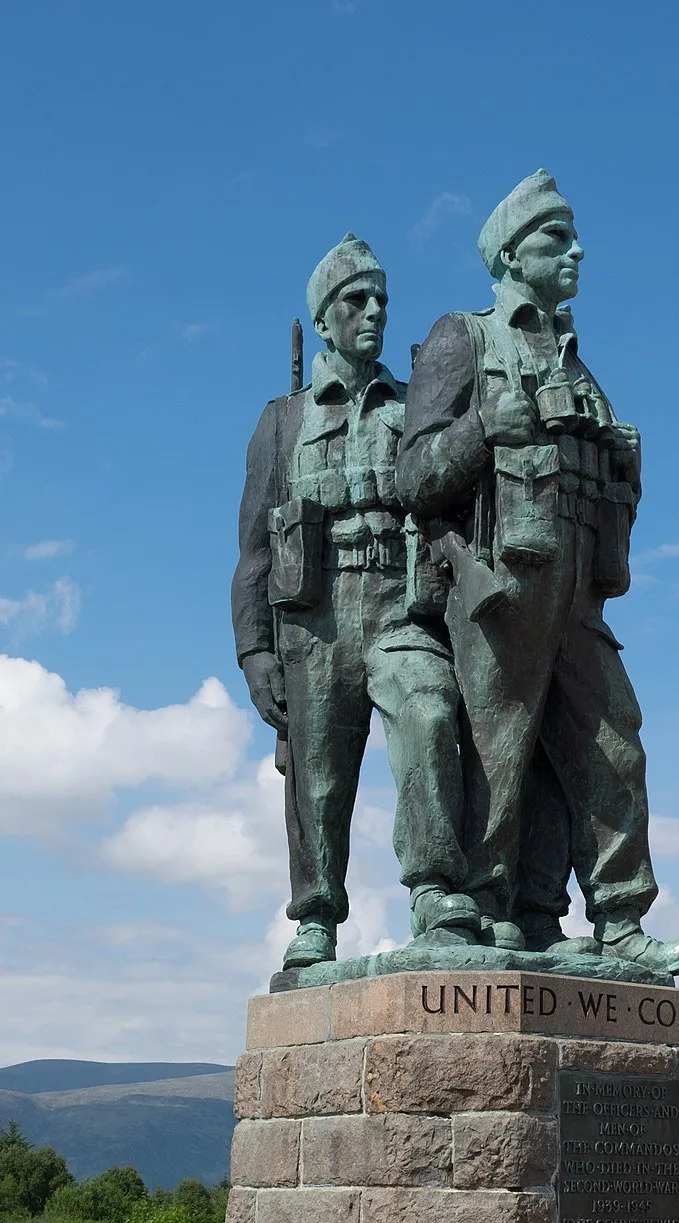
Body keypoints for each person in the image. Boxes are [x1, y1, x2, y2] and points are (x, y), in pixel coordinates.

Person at [396, 172, 679, 979]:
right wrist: (481, 427)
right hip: (505, 576)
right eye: (554, 239)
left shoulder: (576, 358)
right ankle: (483, 910)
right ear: (508, 254)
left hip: (579, 581)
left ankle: (621, 919)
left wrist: (623, 462)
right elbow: (414, 475)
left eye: (572, 238)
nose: (575, 253)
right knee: (497, 751)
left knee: (615, 742)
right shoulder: (462, 337)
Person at [232, 235, 478, 969]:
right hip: (315, 619)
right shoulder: (282, 421)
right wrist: (254, 654)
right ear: (325, 315)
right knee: (319, 771)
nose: (372, 312)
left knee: (430, 712)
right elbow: (251, 552)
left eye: (380, 300)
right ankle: (316, 915)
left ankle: (435, 887)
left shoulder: (415, 407)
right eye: (355, 300)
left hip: (400, 607)